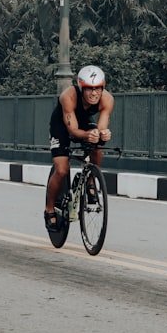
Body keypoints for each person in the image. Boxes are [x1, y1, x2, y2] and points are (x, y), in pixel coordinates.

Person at [44, 65, 114, 230]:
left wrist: (102, 134)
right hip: (62, 125)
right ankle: (49, 209)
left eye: (98, 89)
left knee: (97, 143)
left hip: (82, 122)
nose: (94, 93)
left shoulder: (108, 99)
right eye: (89, 89)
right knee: (61, 170)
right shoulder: (68, 96)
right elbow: (73, 131)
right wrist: (86, 135)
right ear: (81, 88)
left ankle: (90, 181)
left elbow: (101, 126)